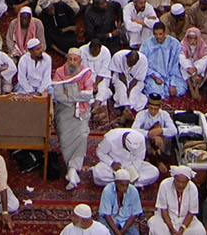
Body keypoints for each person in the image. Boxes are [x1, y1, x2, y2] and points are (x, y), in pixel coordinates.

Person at [50, 48, 95, 189]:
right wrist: (76, 94)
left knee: (82, 135)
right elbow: (59, 96)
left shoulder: (86, 73)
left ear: (80, 61)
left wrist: (70, 92)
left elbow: (88, 94)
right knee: (64, 138)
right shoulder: (59, 72)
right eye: (70, 59)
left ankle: (73, 168)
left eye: (75, 60)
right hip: (64, 110)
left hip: (81, 110)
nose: (72, 62)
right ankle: (71, 168)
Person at [91, 128, 157, 187]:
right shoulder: (110, 138)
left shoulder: (140, 138)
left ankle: (123, 182)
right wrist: (112, 163)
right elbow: (100, 152)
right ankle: (129, 183)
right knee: (98, 173)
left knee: (154, 172)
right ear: (124, 140)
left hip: (131, 165)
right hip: (113, 166)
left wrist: (133, 171)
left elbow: (139, 158)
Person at [148, 166, 205, 235]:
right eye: (178, 181)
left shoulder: (193, 188)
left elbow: (191, 213)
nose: (180, 185)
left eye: (184, 182)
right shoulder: (164, 185)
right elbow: (164, 210)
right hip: (166, 219)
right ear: (174, 178)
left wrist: (182, 229)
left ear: (188, 181)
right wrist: (172, 229)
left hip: (185, 220)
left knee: (200, 231)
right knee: (154, 224)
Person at [141, 23, 186, 98]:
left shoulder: (175, 44)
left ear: (165, 33)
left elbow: (176, 65)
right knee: (154, 92)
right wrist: (155, 77)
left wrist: (172, 83)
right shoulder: (147, 44)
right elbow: (143, 63)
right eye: (155, 34)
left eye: (160, 34)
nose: (158, 37)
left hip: (171, 75)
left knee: (181, 89)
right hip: (154, 75)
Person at [100, 169, 145, 235]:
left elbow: (134, 214)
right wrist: (116, 232)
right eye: (122, 185)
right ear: (116, 183)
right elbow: (107, 215)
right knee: (104, 232)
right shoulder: (107, 190)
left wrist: (122, 232)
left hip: (125, 221)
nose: (125, 188)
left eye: (127, 185)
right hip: (109, 220)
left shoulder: (133, 191)